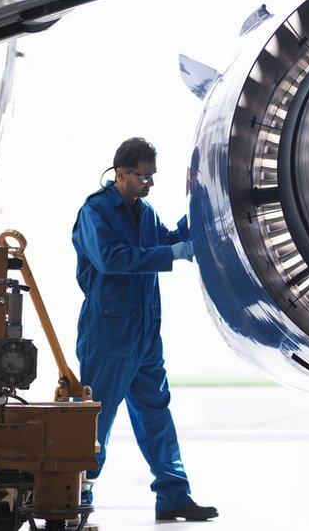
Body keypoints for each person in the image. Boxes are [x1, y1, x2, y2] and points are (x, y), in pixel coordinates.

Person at [72, 137, 217, 522]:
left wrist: (198, 214)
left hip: (145, 336)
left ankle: (173, 495)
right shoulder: (96, 212)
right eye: (142, 177)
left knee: (156, 414)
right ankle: (77, 490)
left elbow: (166, 241)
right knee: (95, 418)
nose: (149, 184)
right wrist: (172, 253)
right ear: (121, 174)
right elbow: (111, 259)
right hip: (108, 336)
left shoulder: (146, 211)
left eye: (152, 177)